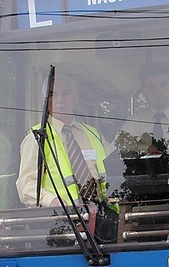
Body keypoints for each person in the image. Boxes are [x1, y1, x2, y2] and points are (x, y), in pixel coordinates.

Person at [16, 74, 112, 207]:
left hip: (104, 213)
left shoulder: (93, 134)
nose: (60, 100)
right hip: (63, 220)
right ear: (43, 100)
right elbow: (26, 186)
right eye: (52, 95)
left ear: (75, 98)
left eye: (66, 93)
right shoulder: (37, 137)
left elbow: (116, 169)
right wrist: (51, 201)